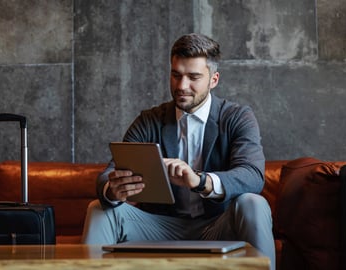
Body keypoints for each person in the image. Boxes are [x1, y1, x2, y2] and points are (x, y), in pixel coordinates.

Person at [82, 33, 275, 269]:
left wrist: (200, 181)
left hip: (217, 226)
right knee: (99, 208)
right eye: (176, 75)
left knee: (253, 203)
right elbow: (108, 173)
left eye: (193, 77)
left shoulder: (237, 117)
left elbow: (253, 176)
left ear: (213, 79)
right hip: (159, 227)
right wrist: (112, 190)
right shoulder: (149, 121)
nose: (182, 86)